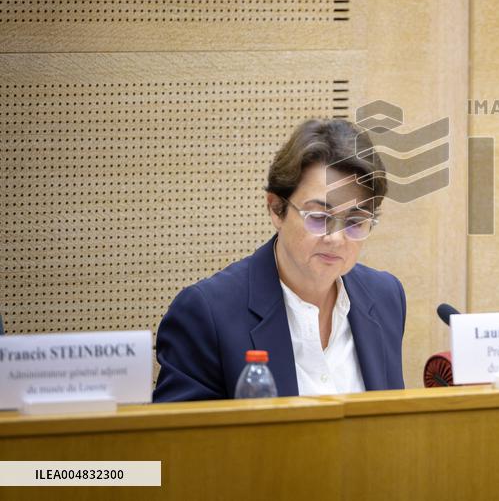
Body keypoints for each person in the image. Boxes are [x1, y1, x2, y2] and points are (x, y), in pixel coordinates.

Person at [153, 119, 405, 401]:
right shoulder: (207, 313)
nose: (336, 238)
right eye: (320, 217)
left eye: (356, 221)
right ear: (276, 209)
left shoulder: (385, 298)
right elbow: (181, 442)